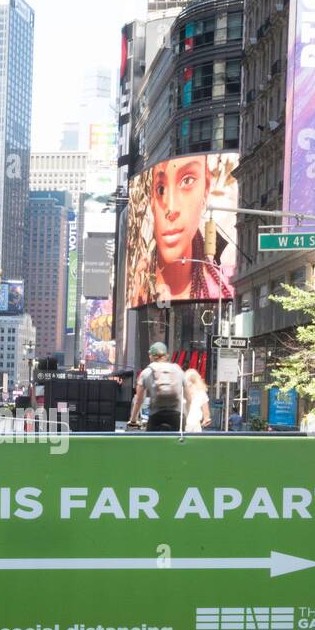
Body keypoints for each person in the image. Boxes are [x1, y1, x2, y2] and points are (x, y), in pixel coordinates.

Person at [130, 155, 235, 306]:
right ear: (151, 202)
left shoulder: (228, 286)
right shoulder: (136, 283)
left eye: (187, 181)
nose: (171, 208)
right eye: (160, 189)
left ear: (205, 188)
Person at [129, 343, 186, 432]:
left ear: (151, 356)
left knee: (151, 443)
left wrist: (133, 420)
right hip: (176, 415)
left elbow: (139, 400)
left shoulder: (146, 372)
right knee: (178, 443)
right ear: (167, 356)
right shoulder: (178, 370)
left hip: (156, 415)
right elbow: (188, 394)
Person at [184, 368, 211, 432]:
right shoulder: (202, 393)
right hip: (196, 425)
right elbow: (206, 413)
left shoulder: (181, 392)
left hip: (183, 424)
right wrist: (206, 420)